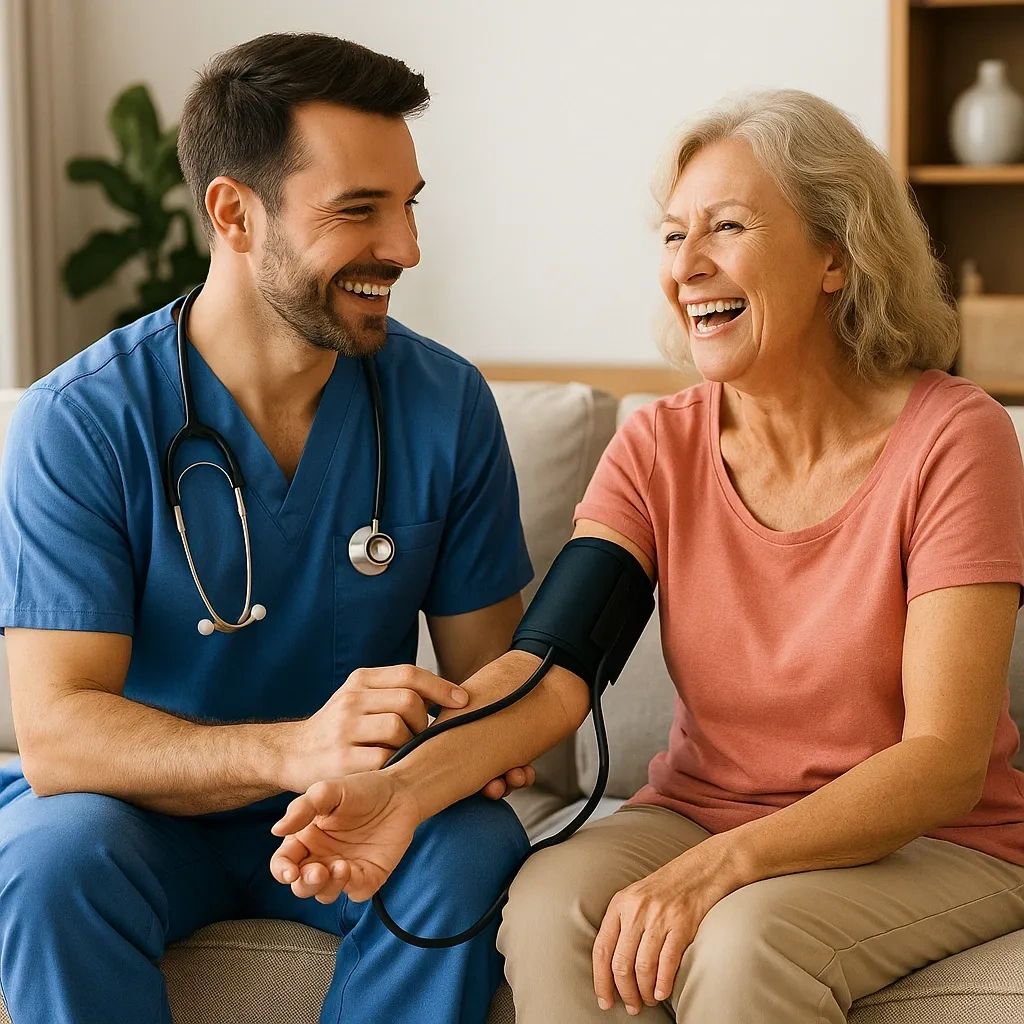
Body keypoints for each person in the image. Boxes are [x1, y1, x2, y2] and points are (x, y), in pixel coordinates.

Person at [265, 90, 1024, 1023]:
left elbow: (945, 759)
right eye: (672, 236)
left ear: (838, 253)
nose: (688, 266)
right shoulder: (659, 446)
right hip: (700, 809)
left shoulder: (955, 438)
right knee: (547, 910)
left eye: (728, 227)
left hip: (933, 836)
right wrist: (399, 794)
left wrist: (722, 870)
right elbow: (553, 673)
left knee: (745, 944)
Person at [0, 32, 542, 1024]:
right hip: (137, 819)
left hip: (359, 813)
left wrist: (443, 750)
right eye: (359, 210)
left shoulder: (442, 403)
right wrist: (292, 749)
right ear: (233, 213)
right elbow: (58, 737)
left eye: (407, 205)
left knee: (471, 844)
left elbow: (492, 695)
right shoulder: (78, 422)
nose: (407, 248)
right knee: (48, 854)